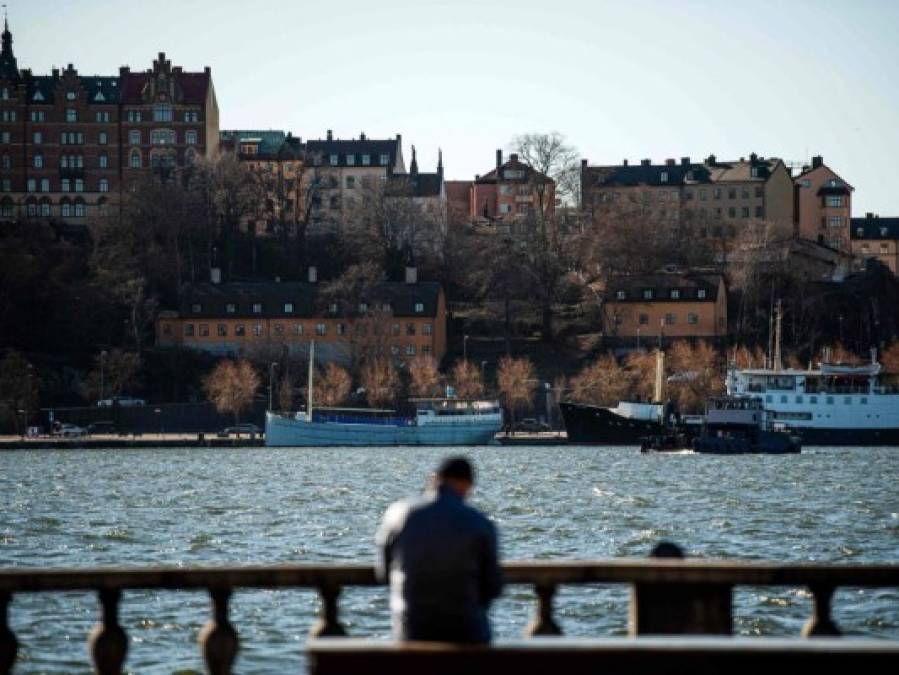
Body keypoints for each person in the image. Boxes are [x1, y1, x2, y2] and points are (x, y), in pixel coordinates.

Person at [376, 456, 503, 643]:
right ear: (467, 484)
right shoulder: (480, 522)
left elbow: (384, 574)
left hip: (412, 631)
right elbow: (493, 586)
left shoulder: (397, 514)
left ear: (434, 479)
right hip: (467, 632)